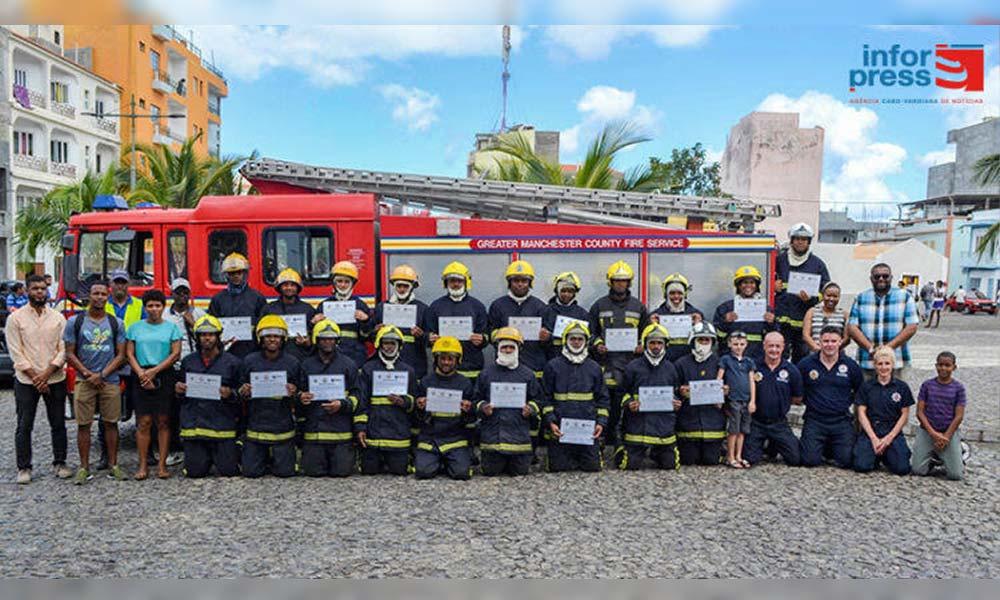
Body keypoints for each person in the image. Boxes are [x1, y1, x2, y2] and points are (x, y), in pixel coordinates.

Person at [7, 274, 71, 484]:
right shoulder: (15, 318)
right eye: (35, 289)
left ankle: (60, 463)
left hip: (55, 378)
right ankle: (24, 467)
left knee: (58, 423)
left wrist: (46, 374)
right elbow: (16, 352)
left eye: (43, 288)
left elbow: (64, 349)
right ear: (27, 291)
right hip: (27, 381)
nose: (39, 292)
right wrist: (36, 377)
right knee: (24, 425)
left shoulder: (58, 318)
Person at [64, 280, 127, 484]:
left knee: (111, 423)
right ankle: (84, 468)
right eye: (95, 293)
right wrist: (87, 373)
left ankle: (114, 465)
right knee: (84, 425)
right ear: (89, 296)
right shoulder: (76, 322)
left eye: (102, 294)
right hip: (84, 380)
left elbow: (121, 355)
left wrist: (102, 374)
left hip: (110, 381)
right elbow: (69, 353)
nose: (99, 297)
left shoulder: (116, 322)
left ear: (107, 297)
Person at [174, 315, 243, 478]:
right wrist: (178, 390)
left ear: (218, 336)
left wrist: (231, 393)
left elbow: (242, 394)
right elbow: (182, 397)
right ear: (197, 337)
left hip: (222, 426)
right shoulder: (188, 362)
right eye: (203, 334)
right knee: (195, 473)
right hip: (195, 427)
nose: (207, 338)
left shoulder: (233, 363)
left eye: (211, 334)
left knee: (229, 472)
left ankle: (236, 449)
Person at [589, 260, 648, 447]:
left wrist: (642, 345)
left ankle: (625, 437)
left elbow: (647, 332)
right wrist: (597, 344)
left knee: (629, 402)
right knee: (607, 401)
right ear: (610, 282)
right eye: (617, 280)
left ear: (629, 282)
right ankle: (605, 436)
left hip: (631, 364)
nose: (620, 284)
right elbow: (590, 332)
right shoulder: (599, 305)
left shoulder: (638, 307)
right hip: (606, 364)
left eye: (624, 281)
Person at [126, 289, 184, 480]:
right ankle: (142, 466)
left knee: (163, 421)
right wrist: (142, 372)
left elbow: (175, 353)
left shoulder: (172, 328)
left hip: (164, 375)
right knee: (143, 422)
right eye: (150, 305)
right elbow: (129, 353)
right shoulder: (135, 328)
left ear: (163, 307)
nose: (153, 309)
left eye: (157, 305)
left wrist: (154, 371)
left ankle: (162, 465)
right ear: (145, 307)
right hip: (140, 375)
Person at [238, 315, 302, 478]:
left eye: (276, 336)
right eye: (268, 336)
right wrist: (243, 391)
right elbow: (239, 389)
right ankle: (259, 457)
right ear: (260, 338)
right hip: (256, 429)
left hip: (283, 429)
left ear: (283, 339)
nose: (272, 340)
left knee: (285, 473)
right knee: (251, 473)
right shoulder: (249, 361)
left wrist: (294, 392)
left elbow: (301, 393)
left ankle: (279, 457)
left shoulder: (293, 362)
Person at [541, 321, 609, 472]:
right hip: (560, 429)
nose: (576, 342)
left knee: (592, 468)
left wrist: (600, 423)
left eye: (580, 339)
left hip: (587, 429)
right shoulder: (552, 366)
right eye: (573, 339)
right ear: (566, 340)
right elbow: (545, 397)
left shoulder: (594, 367)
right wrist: (551, 423)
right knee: (558, 468)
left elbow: (603, 399)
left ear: (585, 342)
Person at [475, 327, 542, 476]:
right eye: (504, 347)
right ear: (498, 349)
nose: (507, 350)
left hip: (519, 440)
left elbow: (538, 400)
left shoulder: (528, 375)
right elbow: (476, 399)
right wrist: (483, 407)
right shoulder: (486, 374)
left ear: (518, 349)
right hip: (492, 440)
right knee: (491, 472)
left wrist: (530, 408)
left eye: (511, 347)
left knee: (520, 472)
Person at [298, 319, 361, 477]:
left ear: (337, 340)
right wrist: (300, 397)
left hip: (341, 433)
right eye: (324, 339)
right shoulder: (306, 365)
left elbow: (358, 395)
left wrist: (343, 404)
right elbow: (297, 393)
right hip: (314, 433)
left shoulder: (349, 365)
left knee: (341, 473)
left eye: (331, 338)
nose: (328, 342)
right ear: (316, 341)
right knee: (314, 473)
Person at [616, 323, 682, 471]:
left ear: (665, 345)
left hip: (663, 426)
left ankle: (657, 452)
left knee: (670, 465)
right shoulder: (633, 367)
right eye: (652, 342)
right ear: (645, 344)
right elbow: (621, 393)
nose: (656, 346)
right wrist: (629, 403)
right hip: (638, 425)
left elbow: (676, 392)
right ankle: (620, 445)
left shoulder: (671, 368)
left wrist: (677, 402)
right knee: (628, 465)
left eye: (659, 342)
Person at [797, 326, 864, 468]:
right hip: (815, 419)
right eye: (826, 341)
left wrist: (845, 402)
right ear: (819, 342)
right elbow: (797, 388)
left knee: (846, 461)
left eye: (833, 341)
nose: (829, 345)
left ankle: (830, 447)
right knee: (809, 461)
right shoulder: (806, 364)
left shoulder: (851, 366)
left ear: (840, 342)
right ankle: (819, 445)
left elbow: (860, 391)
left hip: (841, 420)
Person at [356, 326, 419, 475]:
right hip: (373, 436)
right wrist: (360, 428)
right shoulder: (367, 369)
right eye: (385, 343)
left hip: (398, 436)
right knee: (369, 471)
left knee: (399, 471)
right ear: (379, 344)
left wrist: (404, 402)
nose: (389, 347)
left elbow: (415, 402)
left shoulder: (408, 370)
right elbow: (362, 401)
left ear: (399, 345)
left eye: (393, 343)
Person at [413, 336, 475, 480]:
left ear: (457, 360)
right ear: (436, 359)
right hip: (430, 438)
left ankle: (449, 462)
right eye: (442, 358)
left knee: (461, 474)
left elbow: (471, 419)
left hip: (455, 438)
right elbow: (416, 417)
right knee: (423, 473)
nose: (446, 362)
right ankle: (439, 462)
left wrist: (468, 409)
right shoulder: (425, 381)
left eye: (450, 359)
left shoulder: (465, 383)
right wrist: (419, 407)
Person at [162, 277, 206, 467]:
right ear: (172, 294)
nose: (182, 296)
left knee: (197, 406)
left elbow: (208, 338)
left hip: (195, 366)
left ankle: (198, 446)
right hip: (172, 367)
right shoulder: (164, 315)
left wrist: (193, 323)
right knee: (172, 410)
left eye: (185, 292)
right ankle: (174, 449)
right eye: (178, 292)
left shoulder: (199, 313)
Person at [847, 263, 919, 378]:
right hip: (867, 360)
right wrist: (871, 349)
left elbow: (912, 326)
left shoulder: (905, 297)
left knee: (896, 394)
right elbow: (852, 327)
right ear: (871, 278)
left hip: (896, 360)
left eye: (885, 276)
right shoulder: (861, 298)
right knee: (867, 394)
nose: (881, 279)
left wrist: (887, 349)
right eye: (877, 276)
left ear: (891, 277)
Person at [743, 332, 803, 467]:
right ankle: (768, 446)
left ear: (783, 347)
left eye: (777, 346)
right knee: (749, 459)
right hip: (756, 422)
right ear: (764, 346)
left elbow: (797, 397)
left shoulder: (791, 370)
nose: (774, 350)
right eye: (770, 346)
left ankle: (774, 444)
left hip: (779, 423)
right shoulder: (753, 366)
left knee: (795, 459)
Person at [852, 347, 913, 476]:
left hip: (892, 431)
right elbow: (861, 413)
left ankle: (887, 454)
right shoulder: (866, 386)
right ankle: (875, 455)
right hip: (872, 430)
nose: (883, 367)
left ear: (893, 365)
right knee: (861, 466)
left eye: (887, 363)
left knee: (902, 469)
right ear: (875, 365)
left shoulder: (902, 387)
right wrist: (873, 438)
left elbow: (905, 414)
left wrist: (889, 438)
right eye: (880, 364)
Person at [774, 223, 830, 362]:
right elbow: (765, 278)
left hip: (804, 321)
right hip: (781, 320)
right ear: (791, 240)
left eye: (804, 239)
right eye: (797, 238)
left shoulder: (817, 264)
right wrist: (773, 286)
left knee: (802, 359)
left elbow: (826, 290)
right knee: (778, 355)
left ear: (809, 242)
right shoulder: (779, 260)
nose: (800, 242)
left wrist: (811, 298)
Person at [426, 261, 489, 380]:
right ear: (446, 283)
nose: (455, 284)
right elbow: (427, 333)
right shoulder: (435, 306)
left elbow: (487, 333)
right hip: (443, 369)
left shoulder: (477, 306)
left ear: (466, 282)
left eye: (459, 281)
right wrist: (429, 338)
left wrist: (482, 339)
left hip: (472, 369)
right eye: (452, 281)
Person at [674, 321, 726, 466]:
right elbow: (672, 389)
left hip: (713, 423)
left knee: (711, 461)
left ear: (712, 342)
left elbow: (730, 389)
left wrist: (726, 391)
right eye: (700, 339)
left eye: (707, 339)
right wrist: (680, 391)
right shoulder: (681, 364)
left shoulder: (720, 363)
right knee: (688, 460)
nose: (703, 342)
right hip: (688, 423)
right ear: (693, 341)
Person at [489, 260, 550, 379]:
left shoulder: (540, 306)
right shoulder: (497, 305)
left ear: (530, 283)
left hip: (534, 366)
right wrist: (499, 334)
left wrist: (547, 337)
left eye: (524, 281)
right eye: (516, 280)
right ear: (509, 282)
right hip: (504, 366)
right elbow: (489, 332)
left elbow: (549, 341)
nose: (520, 284)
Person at [911, 351, 966, 481]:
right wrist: (934, 434)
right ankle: (934, 458)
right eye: (940, 365)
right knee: (918, 470)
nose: (943, 368)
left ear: (954, 367)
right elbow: (919, 412)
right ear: (936, 366)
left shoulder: (959, 388)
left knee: (956, 475)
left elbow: (959, 416)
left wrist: (946, 436)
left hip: (949, 432)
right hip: (928, 431)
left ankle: (959, 452)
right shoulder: (927, 385)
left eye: (947, 365)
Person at [312, 261, 372, 368]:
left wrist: (365, 321)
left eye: (346, 282)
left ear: (352, 284)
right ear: (334, 283)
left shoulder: (360, 305)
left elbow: (367, 336)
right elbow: (315, 337)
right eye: (339, 281)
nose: (343, 285)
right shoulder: (324, 305)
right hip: (328, 354)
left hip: (354, 355)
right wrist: (313, 323)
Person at [374, 265, 429, 379]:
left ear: (412, 287)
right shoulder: (381, 308)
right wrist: (375, 331)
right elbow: (369, 336)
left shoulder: (423, 309)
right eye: (399, 286)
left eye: (405, 286)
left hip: (414, 364)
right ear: (394, 286)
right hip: (386, 364)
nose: (402, 289)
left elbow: (430, 340)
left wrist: (422, 335)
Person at [208, 253, 268, 359]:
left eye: (239, 272)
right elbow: (212, 325)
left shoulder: (257, 297)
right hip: (225, 352)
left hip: (252, 350)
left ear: (245, 273)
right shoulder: (217, 299)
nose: (236, 276)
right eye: (232, 273)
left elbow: (264, 324)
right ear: (226, 275)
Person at [712, 265, 776, 363]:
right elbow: (718, 337)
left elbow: (774, 337)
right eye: (744, 282)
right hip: (731, 360)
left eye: (752, 282)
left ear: (757, 285)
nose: (748, 286)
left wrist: (772, 323)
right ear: (738, 285)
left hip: (758, 359)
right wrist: (725, 322)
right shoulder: (725, 308)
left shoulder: (766, 310)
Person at [718, 330, 756, 469]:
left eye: (741, 344)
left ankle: (739, 455)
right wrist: (719, 397)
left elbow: (752, 382)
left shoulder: (749, 362)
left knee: (742, 430)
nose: (738, 347)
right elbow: (719, 378)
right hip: (733, 399)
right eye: (735, 344)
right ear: (729, 344)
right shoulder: (726, 360)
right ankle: (730, 456)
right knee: (733, 430)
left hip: (746, 400)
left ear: (746, 345)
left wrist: (753, 401)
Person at [260, 268, 317, 361]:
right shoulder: (269, 309)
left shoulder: (307, 309)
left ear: (298, 287)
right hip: (274, 359)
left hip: (300, 358)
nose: (289, 288)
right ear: (279, 287)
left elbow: (314, 336)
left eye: (293, 285)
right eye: (285, 285)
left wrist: (307, 343)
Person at [650, 273, 704, 363]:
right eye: (672, 293)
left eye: (680, 293)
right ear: (666, 294)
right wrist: (652, 327)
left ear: (685, 294)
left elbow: (704, 343)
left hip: (689, 364)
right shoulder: (656, 315)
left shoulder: (696, 315)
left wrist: (699, 326)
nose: (676, 296)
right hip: (663, 363)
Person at [541, 271, 591, 362]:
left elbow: (587, 341)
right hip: (550, 359)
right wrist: (545, 338)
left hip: (575, 361)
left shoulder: (582, 314)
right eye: (563, 291)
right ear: (557, 291)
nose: (566, 294)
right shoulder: (545, 311)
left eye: (570, 291)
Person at [802, 282, 849, 353]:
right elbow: (806, 335)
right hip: (815, 353)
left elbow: (847, 338)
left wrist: (833, 349)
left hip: (837, 354)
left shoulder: (844, 314)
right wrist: (817, 348)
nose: (831, 299)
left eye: (835, 296)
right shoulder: (812, 312)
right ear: (823, 295)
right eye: (828, 295)